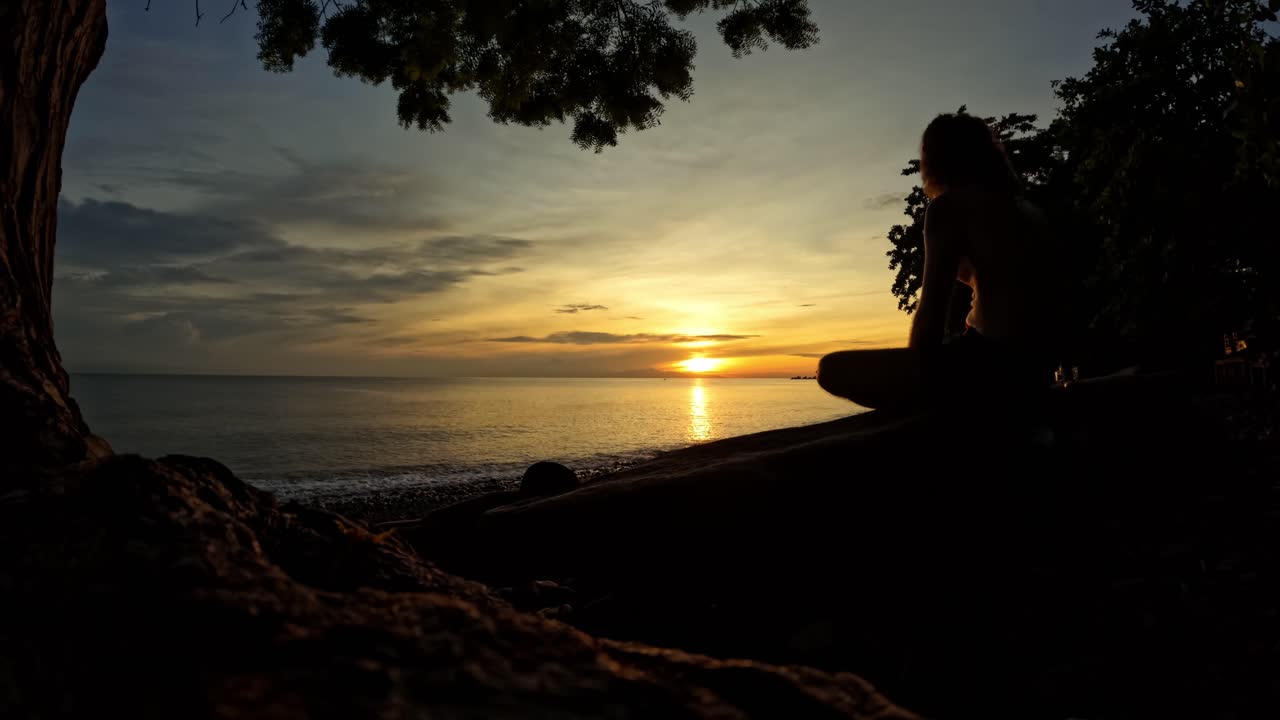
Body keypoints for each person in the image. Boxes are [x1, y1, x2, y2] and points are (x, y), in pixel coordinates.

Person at [818, 113, 1055, 410]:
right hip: (1036, 367)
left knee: (831, 369)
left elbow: (932, 310)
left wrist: (918, 376)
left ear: (936, 160)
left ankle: (935, 411)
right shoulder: (1028, 211)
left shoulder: (950, 206)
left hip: (991, 363)